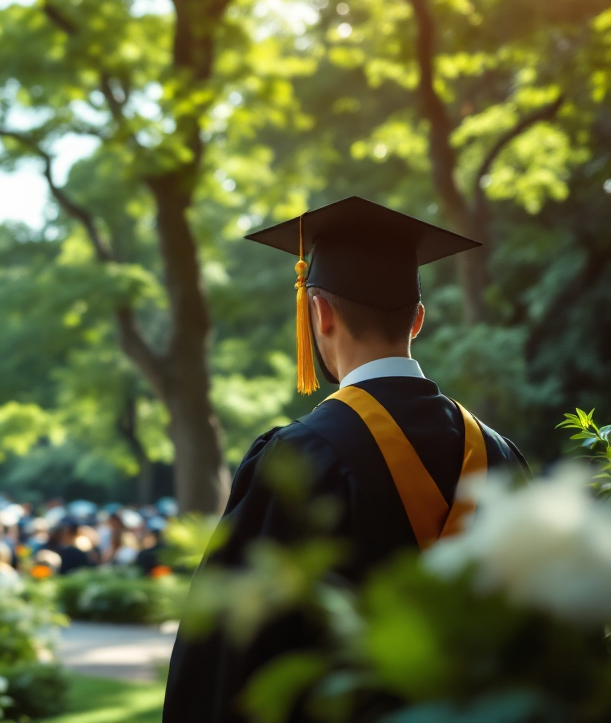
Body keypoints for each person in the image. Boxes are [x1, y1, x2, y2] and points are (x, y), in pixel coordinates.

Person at [163, 198, 529, 723]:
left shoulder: (298, 457)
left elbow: (228, 662)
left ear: (319, 311)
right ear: (418, 320)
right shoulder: (499, 454)